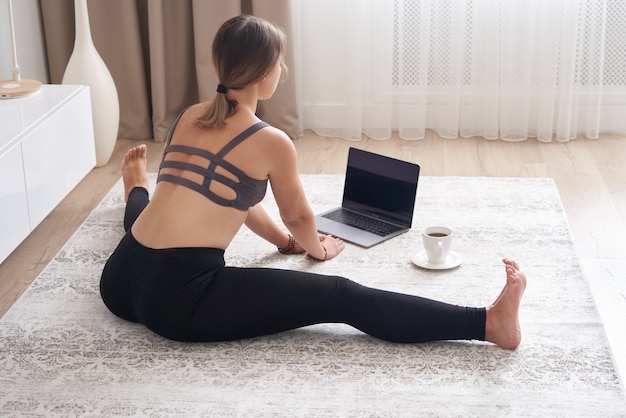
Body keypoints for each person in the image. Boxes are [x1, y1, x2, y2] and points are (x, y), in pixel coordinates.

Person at [100, 15, 526, 350]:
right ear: (265, 71)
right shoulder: (269, 141)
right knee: (339, 296)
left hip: (119, 279)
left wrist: (284, 244)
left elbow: (237, 199)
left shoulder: (189, 116)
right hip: (180, 302)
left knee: (154, 206)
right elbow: (299, 215)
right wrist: (315, 249)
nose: (282, 70)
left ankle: (136, 188)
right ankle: (488, 324)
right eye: (279, 62)